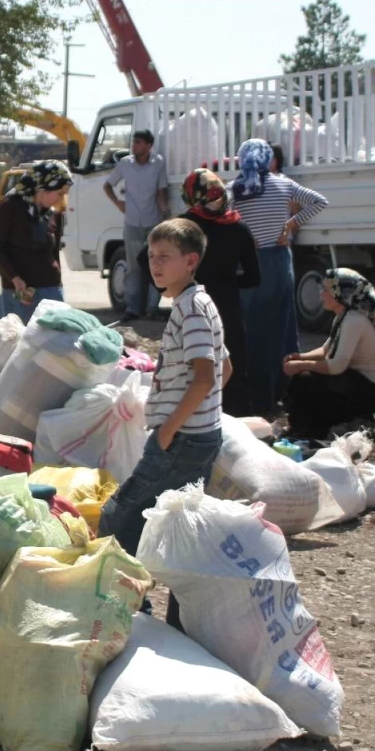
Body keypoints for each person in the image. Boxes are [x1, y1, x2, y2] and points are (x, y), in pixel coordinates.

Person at [99, 218, 229, 557]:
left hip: (181, 439)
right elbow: (224, 369)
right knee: (175, 524)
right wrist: (205, 411)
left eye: (165, 256)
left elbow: (205, 377)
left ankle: (125, 601)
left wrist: (169, 431)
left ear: (190, 261)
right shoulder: (198, 303)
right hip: (195, 435)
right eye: (152, 255)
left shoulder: (191, 309)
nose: (155, 264)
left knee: (118, 519)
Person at [230, 139, 328, 414]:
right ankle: (283, 391)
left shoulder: (236, 188)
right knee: (282, 330)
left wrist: (245, 239)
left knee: (253, 333)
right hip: (280, 262)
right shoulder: (284, 184)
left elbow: (223, 217)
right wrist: (290, 225)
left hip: (251, 265)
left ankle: (257, 397)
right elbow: (319, 201)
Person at [171, 168, 260, 416]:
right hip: (228, 311)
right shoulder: (238, 226)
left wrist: (172, 286)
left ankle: (192, 420)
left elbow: (144, 259)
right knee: (233, 371)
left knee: (190, 369)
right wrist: (228, 282)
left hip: (190, 306)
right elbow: (254, 277)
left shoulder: (182, 226)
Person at [281, 269, 375, 440]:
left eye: (326, 290)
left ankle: (311, 432)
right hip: (354, 381)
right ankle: (301, 427)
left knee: (306, 380)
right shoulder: (343, 316)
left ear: (339, 294)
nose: (322, 294)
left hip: (369, 390)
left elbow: (337, 365)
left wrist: (301, 365)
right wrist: (300, 357)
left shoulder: (354, 320)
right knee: (305, 378)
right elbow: (325, 350)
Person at [0, 160, 71, 323]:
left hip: (50, 290)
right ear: (42, 188)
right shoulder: (9, 206)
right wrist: (15, 279)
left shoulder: (54, 214)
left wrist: (58, 282)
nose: (61, 199)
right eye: (59, 193)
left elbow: (53, 253)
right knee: (15, 341)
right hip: (18, 292)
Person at [104, 131, 169, 322]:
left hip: (153, 222)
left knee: (154, 265)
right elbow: (108, 185)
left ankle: (151, 308)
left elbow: (161, 190)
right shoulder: (125, 163)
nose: (134, 146)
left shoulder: (158, 163)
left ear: (149, 145)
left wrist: (165, 211)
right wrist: (118, 203)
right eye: (134, 142)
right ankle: (133, 308)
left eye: (138, 142)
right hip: (132, 221)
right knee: (132, 266)